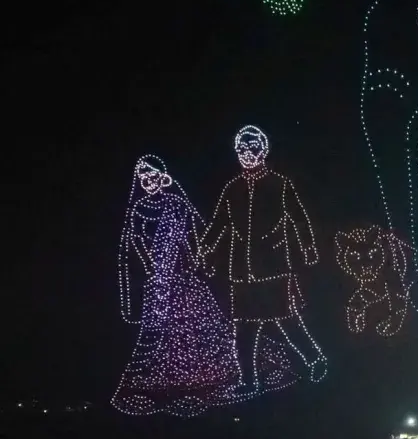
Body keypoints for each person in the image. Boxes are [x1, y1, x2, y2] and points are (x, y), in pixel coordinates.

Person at [112, 155, 240, 416]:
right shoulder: (138, 210)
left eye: (153, 177)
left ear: (163, 178)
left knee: (197, 324)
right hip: (159, 280)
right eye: (144, 179)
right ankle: (166, 385)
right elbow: (137, 243)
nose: (148, 182)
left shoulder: (176, 204)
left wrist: (197, 262)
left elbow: (192, 236)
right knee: (160, 331)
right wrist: (153, 269)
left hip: (184, 274)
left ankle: (205, 380)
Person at [202, 126, 326, 392]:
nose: (247, 155)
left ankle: (315, 359)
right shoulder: (232, 188)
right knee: (245, 329)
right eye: (242, 150)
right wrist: (205, 250)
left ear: (263, 150)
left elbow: (299, 218)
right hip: (242, 272)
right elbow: (219, 224)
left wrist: (308, 248)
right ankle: (248, 381)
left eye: (253, 149)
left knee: (286, 320)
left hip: (273, 267)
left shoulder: (279, 184)